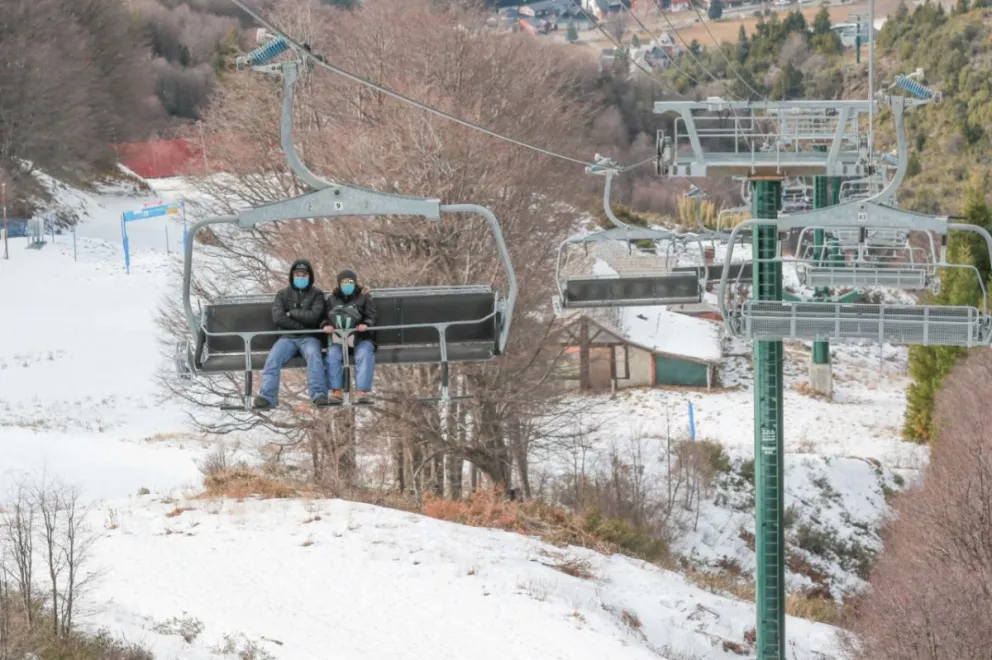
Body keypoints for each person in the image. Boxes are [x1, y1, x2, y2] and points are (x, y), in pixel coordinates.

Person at [253, 259, 329, 409]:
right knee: (273, 358)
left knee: (314, 356)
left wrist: (292, 313)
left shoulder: (317, 294)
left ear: (309, 276)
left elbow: (314, 316)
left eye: (304, 274)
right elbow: (279, 318)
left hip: (309, 337)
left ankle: (319, 394)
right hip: (288, 337)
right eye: (297, 274)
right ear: (292, 276)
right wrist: (301, 325)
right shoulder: (282, 294)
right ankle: (267, 396)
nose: (300, 277)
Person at [322, 268, 377, 403]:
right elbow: (325, 317)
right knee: (333, 354)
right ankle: (336, 390)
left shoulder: (364, 297)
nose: (347, 285)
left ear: (355, 283)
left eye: (350, 282)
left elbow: (371, 315)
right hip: (340, 338)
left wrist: (366, 324)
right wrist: (325, 325)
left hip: (360, 337)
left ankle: (362, 392)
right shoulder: (332, 299)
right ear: (339, 284)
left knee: (364, 353)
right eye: (344, 282)